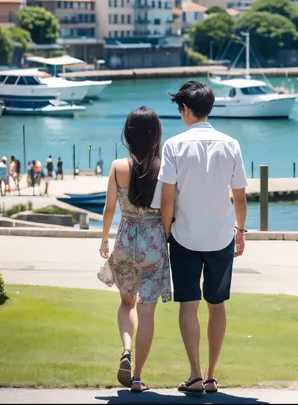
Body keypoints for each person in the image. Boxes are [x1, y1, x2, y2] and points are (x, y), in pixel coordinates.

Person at [160, 81, 248, 395]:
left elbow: (167, 199)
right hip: (222, 235)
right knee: (217, 305)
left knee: (188, 304)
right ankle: (211, 376)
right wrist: (241, 230)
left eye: (180, 109)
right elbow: (239, 197)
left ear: (185, 110)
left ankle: (195, 374)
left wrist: (164, 233)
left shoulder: (173, 145)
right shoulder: (231, 143)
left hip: (183, 236)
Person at [99, 106, 171, 393]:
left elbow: (109, 208)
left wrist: (104, 239)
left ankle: (126, 349)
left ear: (128, 134)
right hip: (154, 239)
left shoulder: (118, 167)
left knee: (126, 304)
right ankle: (138, 377)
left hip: (126, 238)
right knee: (148, 313)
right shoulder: (165, 168)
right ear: (156, 134)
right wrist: (166, 236)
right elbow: (169, 208)